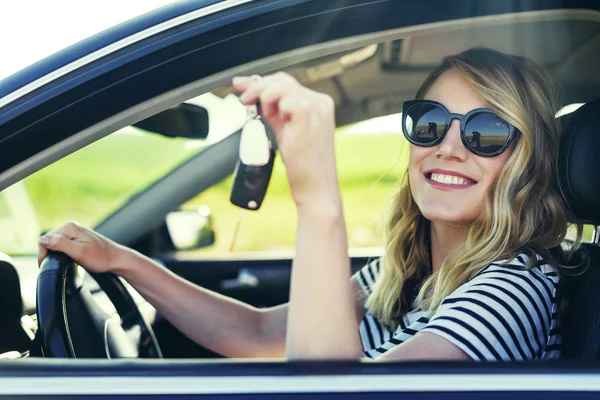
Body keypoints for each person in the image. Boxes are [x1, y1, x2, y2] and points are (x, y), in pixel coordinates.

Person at [38, 48, 581, 362]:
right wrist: (122, 261)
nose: (448, 147)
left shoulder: (514, 288)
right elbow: (254, 335)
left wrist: (317, 198)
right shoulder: (411, 270)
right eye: (431, 123)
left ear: (526, 162)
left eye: (487, 131)